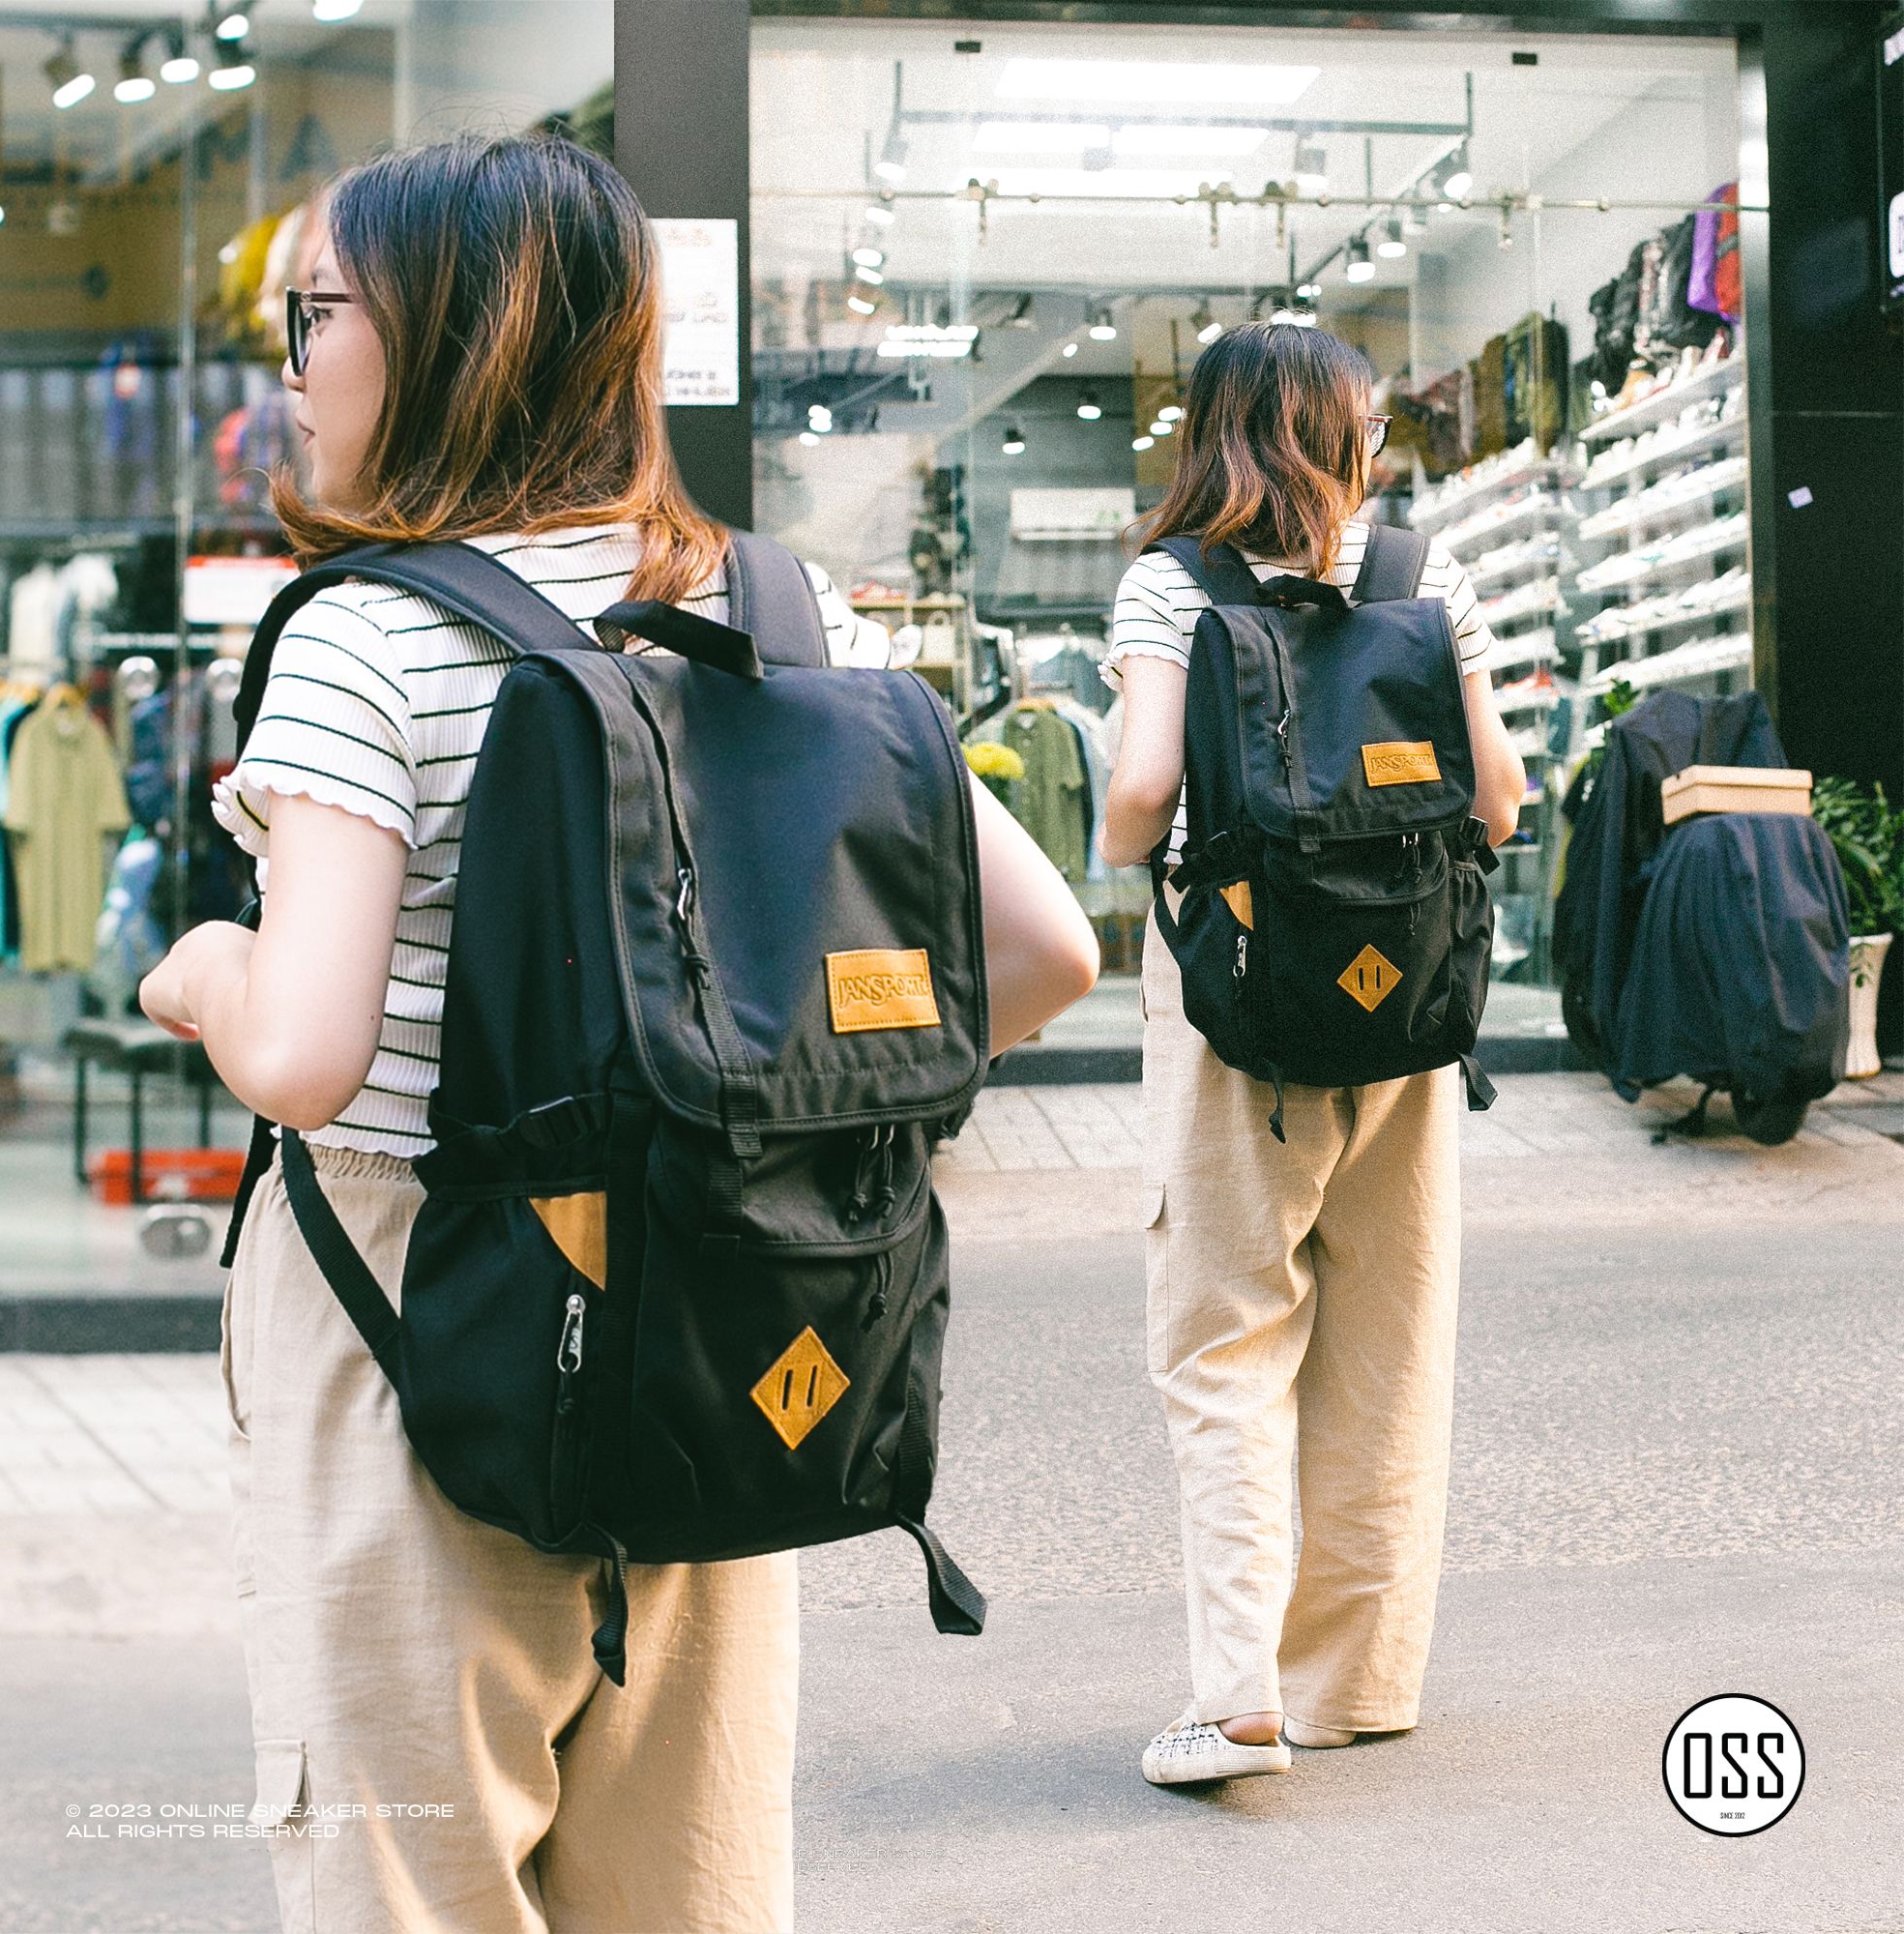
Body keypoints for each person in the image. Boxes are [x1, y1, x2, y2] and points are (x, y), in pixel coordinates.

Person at [137, 132, 1098, 1933]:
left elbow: (300, 1056)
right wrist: (774, 1092)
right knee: (686, 1879)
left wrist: (198, 964)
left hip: (414, 1300)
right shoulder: (770, 612)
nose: (293, 364)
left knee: (410, 1872)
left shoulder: (363, 639)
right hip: (723, 1281)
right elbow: (1040, 950)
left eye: (313, 314)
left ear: (440, 334)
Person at [1098, 321, 1526, 1787]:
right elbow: (1504, 801)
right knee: (1389, 1350)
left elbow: (1141, 791)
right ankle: (1356, 1684)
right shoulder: (1422, 576)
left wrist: (1125, 842)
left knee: (1225, 1340)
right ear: (1345, 434)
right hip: (1403, 1004)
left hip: (1237, 1009)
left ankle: (1237, 1697)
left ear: (1213, 434)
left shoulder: (1177, 585)